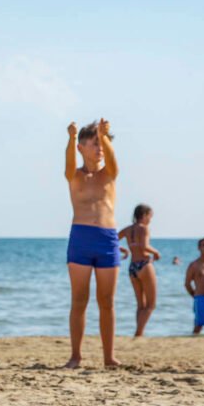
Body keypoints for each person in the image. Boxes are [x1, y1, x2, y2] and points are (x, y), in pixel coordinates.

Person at [64, 119, 121, 369]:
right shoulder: (75, 175)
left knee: (107, 301)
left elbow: (113, 161)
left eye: (102, 143)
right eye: (94, 143)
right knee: (79, 299)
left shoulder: (108, 174)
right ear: (81, 147)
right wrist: (71, 137)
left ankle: (109, 357)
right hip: (81, 238)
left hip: (107, 239)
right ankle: (76, 356)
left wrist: (104, 135)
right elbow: (68, 164)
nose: (99, 148)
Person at [118, 204, 161, 337]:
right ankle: (139, 333)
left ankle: (139, 333)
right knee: (151, 305)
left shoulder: (127, 229)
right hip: (144, 264)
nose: (150, 220)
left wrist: (124, 250)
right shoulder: (144, 228)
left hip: (132, 267)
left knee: (141, 305)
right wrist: (156, 252)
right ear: (144, 215)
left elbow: (111, 241)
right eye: (150, 216)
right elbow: (144, 246)